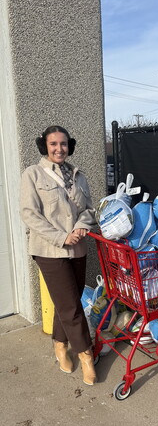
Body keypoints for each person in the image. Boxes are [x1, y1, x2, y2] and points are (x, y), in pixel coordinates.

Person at [20, 125, 97, 385]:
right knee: (71, 307)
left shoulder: (79, 176)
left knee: (69, 301)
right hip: (50, 251)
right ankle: (86, 355)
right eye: (53, 144)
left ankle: (59, 344)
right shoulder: (32, 174)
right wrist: (61, 237)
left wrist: (79, 226)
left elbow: (89, 210)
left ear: (69, 146)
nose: (59, 149)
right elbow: (30, 215)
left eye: (63, 144)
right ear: (45, 146)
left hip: (77, 249)